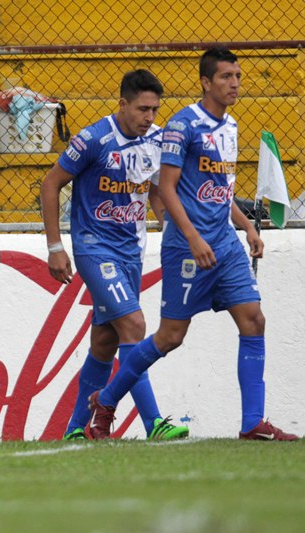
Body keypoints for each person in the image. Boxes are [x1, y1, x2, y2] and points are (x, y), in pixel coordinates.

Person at [86, 48, 299, 441]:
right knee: (170, 337)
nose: (234, 83)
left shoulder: (230, 126)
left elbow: (221, 190)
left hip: (225, 244)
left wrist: (246, 228)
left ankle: (252, 423)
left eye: (238, 76)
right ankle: (107, 400)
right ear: (205, 82)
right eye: (226, 77)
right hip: (188, 247)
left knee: (254, 319)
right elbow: (166, 188)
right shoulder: (182, 126)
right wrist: (192, 237)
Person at [40, 69, 189, 441]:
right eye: (142, 109)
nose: (149, 117)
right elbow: (50, 183)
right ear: (122, 104)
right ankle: (154, 423)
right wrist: (55, 247)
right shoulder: (93, 139)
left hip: (131, 252)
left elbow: (156, 192)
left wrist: (173, 232)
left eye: (154, 110)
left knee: (105, 342)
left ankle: (75, 429)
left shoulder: (157, 141)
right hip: (94, 248)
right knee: (135, 326)